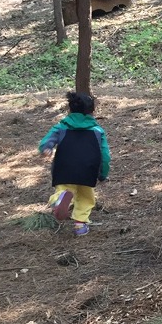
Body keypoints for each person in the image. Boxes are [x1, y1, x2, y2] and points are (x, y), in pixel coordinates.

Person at [38, 91, 111, 236]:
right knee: (86, 197)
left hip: (64, 167)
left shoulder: (61, 127)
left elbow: (47, 140)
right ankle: (80, 224)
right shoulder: (97, 131)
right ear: (92, 112)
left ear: (70, 110)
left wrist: (47, 148)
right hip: (88, 170)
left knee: (64, 189)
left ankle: (58, 200)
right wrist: (102, 174)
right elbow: (105, 155)